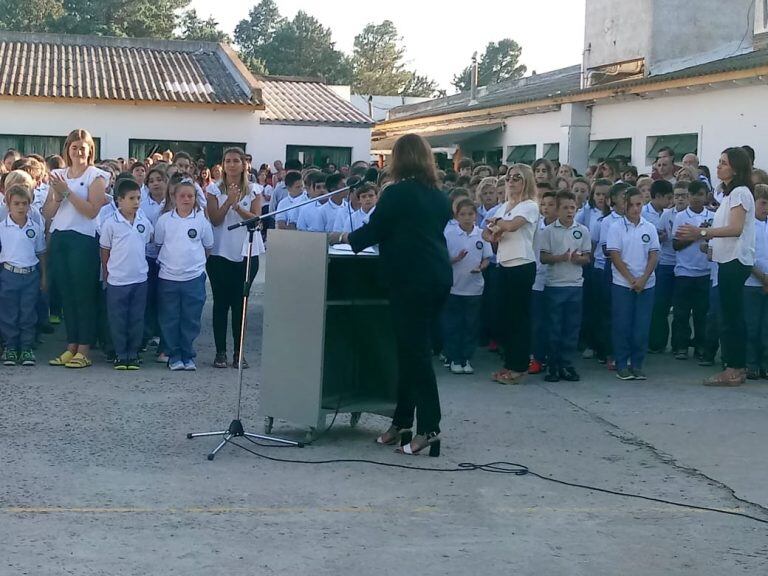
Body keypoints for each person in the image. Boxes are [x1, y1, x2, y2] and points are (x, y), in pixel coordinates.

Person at [329, 134, 451, 456]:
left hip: (410, 282)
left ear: (400, 158)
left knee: (416, 355)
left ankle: (429, 428)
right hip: (436, 278)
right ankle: (401, 424)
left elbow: (375, 230)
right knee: (409, 353)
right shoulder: (438, 194)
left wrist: (339, 236)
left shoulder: (396, 193)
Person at [677, 147, 755, 386]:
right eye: (719, 161)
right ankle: (737, 367)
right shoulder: (730, 194)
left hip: (734, 261)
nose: (719, 166)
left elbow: (735, 228)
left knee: (730, 317)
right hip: (726, 260)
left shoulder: (740, 193)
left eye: (724, 162)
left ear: (736, 167)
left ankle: (733, 369)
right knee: (732, 315)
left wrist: (701, 232)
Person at [43, 129, 109, 369]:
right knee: (67, 294)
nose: (78, 151)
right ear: (67, 150)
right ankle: (71, 345)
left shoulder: (97, 175)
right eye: (74, 147)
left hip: (83, 239)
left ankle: (84, 348)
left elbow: (92, 210)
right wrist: (58, 198)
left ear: (90, 150)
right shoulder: (58, 174)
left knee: (83, 295)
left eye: (83, 147)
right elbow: (48, 213)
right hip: (61, 238)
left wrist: (67, 192)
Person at [205, 148, 264, 369]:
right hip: (220, 253)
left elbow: (256, 220)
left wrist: (237, 205)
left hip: (246, 252)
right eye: (227, 161)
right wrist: (227, 201)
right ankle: (220, 352)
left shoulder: (255, 190)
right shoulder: (212, 190)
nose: (231, 165)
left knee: (241, 304)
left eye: (236, 161)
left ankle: (239, 352)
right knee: (221, 303)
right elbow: (216, 219)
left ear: (244, 164)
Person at [484, 164, 540, 385]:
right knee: (504, 317)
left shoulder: (529, 206)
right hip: (504, 263)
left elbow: (513, 225)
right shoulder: (504, 206)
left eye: (517, 177)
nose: (511, 181)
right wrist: (494, 232)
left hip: (521, 264)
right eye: (508, 177)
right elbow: (487, 231)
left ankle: (518, 367)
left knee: (518, 318)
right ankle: (509, 363)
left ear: (526, 181)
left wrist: (498, 226)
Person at [155, 180, 214, 371]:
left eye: (190, 196)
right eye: (182, 195)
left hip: (193, 278)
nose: (186, 199)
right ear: (174, 197)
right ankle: (173, 356)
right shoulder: (164, 220)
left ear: (196, 198)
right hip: (168, 277)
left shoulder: (201, 221)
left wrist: (194, 265)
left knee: (191, 318)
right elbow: (158, 244)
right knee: (170, 318)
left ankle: (187, 355)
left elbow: (208, 247)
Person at [99, 178, 153, 370]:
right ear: (119, 200)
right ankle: (121, 354)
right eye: (131, 198)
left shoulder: (143, 221)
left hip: (139, 278)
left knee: (136, 317)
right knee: (118, 318)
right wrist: (107, 274)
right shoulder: (110, 223)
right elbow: (105, 250)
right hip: (117, 280)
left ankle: (133, 353)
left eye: (138, 198)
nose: (136, 202)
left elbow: (146, 243)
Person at [607, 187, 660, 380]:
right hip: (623, 283)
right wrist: (631, 279)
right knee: (622, 325)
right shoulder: (616, 227)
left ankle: (637, 364)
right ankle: (622, 363)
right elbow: (615, 255)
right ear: (625, 205)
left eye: (639, 204)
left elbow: (654, 254)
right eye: (632, 205)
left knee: (641, 326)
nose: (636, 209)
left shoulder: (649, 227)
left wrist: (644, 279)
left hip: (646, 284)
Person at [539, 190, 591, 382]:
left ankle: (566, 364)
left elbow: (587, 257)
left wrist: (579, 259)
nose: (569, 211)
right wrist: (560, 257)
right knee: (554, 327)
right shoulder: (549, 231)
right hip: (555, 285)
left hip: (575, 285)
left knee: (571, 327)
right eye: (565, 208)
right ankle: (552, 365)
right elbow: (543, 257)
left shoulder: (582, 230)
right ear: (557, 209)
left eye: (572, 208)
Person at [442, 198, 492, 375]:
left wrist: (481, 267)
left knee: (471, 324)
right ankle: (454, 357)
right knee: (453, 324)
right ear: (456, 216)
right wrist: (454, 260)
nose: (467, 218)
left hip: (475, 288)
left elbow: (487, 257)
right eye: (462, 214)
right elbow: (442, 260)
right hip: (454, 287)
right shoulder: (449, 234)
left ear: (476, 215)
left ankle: (466, 357)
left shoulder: (481, 234)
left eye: (470, 214)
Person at [0, 184, 47, 367]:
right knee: (8, 312)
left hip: (30, 275)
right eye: (16, 203)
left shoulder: (35, 227)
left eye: (24, 203)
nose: (20, 207)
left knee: (28, 312)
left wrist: (43, 277)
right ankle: (11, 347)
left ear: (30, 205)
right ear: (8, 204)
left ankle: (26, 347)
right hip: (9, 273)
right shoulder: (2, 228)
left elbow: (41, 253)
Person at [670, 181, 714, 360]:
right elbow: (675, 244)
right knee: (681, 312)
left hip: (705, 271)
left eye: (700, 194)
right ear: (688, 197)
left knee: (702, 313)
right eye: (692, 195)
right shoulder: (681, 217)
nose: (696, 198)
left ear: (706, 196)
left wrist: (704, 232)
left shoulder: (713, 216)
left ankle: (700, 346)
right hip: (684, 272)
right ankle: (680, 345)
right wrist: (694, 235)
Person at [140, 166, 169, 361]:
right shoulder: (142, 203)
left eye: (159, 179)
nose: (155, 183)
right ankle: (146, 334)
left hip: (168, 258)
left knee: (164, 298)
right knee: (148, 297)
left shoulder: (173, 202)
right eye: (151, 181)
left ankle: (162, 337)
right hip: (148, 256)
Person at [647, 180, 677, 353]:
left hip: (669, 261)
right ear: (657, 196)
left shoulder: (670, 213)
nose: (671, 201)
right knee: (658, 305)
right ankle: (655, 342)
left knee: (665, 306)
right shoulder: (643, 212)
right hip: (653, 264)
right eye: (668, 197)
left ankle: (665, 342)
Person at [743, 184, 768, 379]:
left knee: (766, 327)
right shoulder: (747, 226)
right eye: (763, 203)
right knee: (751, 326)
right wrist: (762, 277)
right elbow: (745, 257)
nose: (766, 207)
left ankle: (765, 363)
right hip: (751, 283)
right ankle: (750, 363)